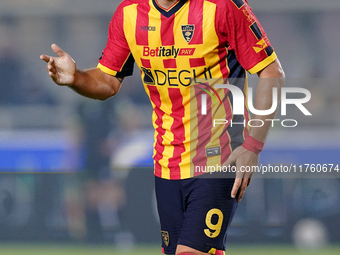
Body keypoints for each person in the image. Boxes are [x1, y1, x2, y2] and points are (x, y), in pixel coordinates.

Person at [40, 0, 285, 254]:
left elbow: (272, 72)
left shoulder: (222, 6)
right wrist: (76, 78)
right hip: (167, 164)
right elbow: (108, 80)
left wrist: (253, 146)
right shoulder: (130, 13)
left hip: (218, 159)